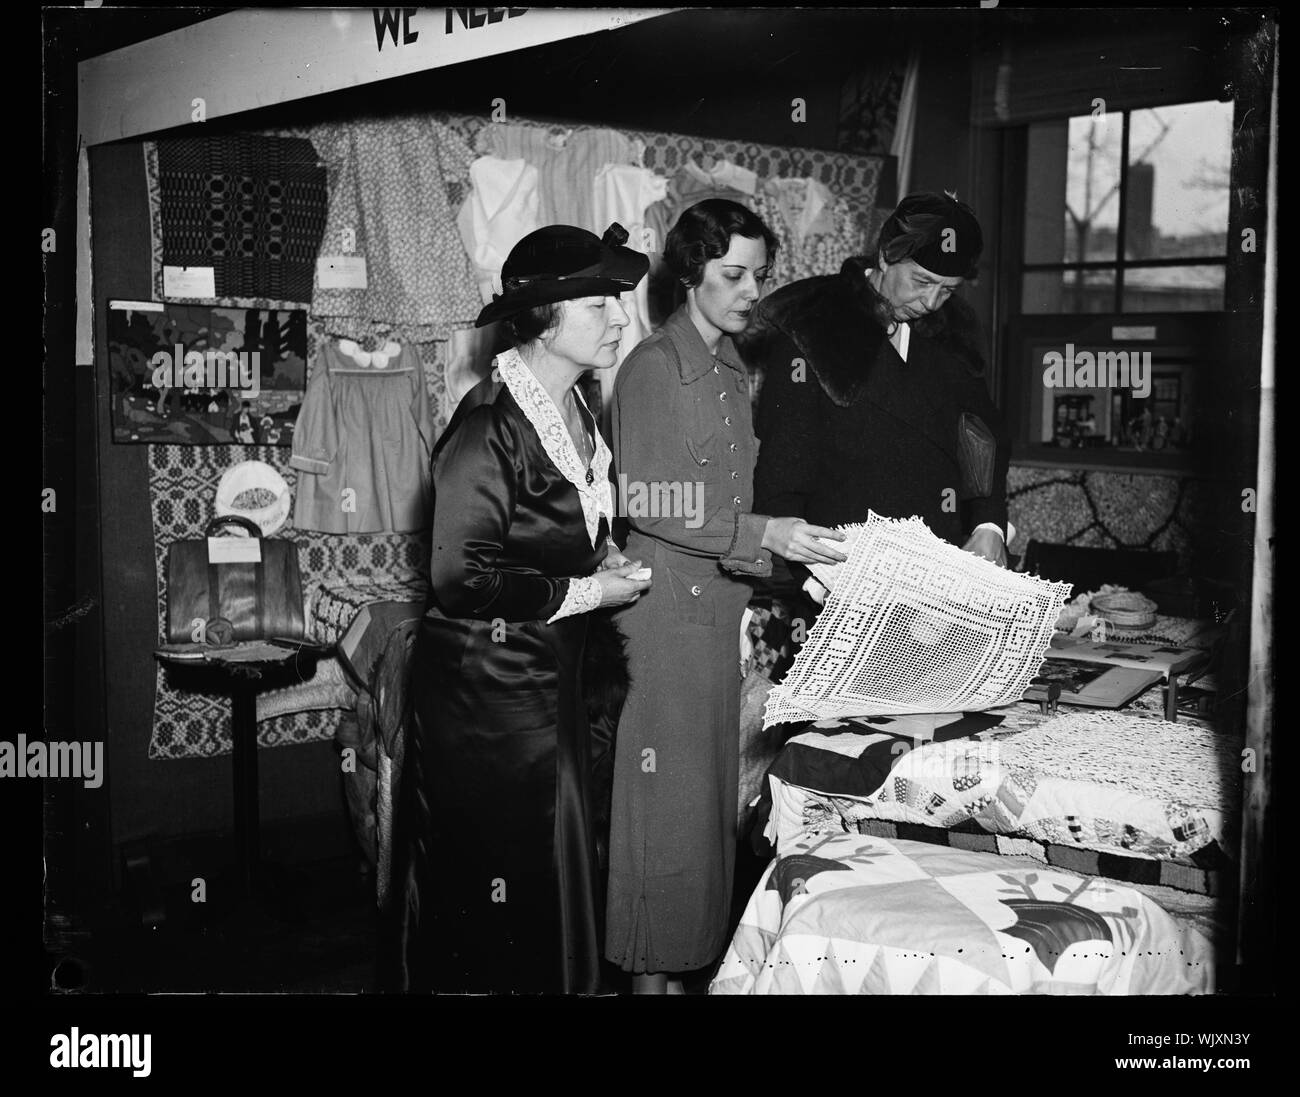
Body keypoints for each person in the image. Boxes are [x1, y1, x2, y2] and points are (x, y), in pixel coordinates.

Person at [391, 223, 653, 994]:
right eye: (601, 302)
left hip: (550, 672)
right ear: (544, 315)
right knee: (508, 871)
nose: (617, 319)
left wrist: (597, 552)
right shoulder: (490, 423)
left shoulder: (576, 407)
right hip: (492, 693)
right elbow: (458, 577)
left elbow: (547, 528)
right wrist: (588, 591)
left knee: (556, 859)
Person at [604, 199, 847, 993]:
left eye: (760, 276)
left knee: (706, 826)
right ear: (689, 273)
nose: (751, 291)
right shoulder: (651, 367)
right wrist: (765, 535)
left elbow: (736, 492)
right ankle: (650, 982)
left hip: (716, 620)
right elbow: (647, 499)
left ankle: (679, 978)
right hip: (664, 624)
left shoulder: (732, 368)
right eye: (733, 274)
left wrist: (782, 546)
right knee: (664, 828)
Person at [749, 191, 1011, 606]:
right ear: (886, 256)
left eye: (948, 289)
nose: (931, 302)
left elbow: (981, 437)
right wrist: (805, 581)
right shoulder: (812, 322)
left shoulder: (956, 325)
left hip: (939, 577)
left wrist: (989, 525)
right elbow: (782, 477)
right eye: (922, 282)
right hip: (838, 582)